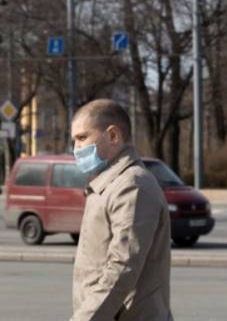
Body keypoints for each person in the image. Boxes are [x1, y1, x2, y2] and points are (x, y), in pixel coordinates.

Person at [69, 99, 172, 321]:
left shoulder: (132, 185)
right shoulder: (107, 184)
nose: (76, 149)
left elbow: (123, 265)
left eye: (82, 138)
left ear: (113, 136)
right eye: (74, 141)